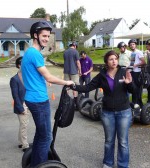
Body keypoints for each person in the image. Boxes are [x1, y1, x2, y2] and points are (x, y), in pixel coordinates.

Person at [21, 21, 74, 167]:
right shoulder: (35, 54)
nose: (46, 38)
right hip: (38, 100)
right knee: (46, 138)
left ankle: (35, 162)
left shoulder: (28, 53)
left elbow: (30, 75)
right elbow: (49, 77)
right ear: (35, 35)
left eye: (48, 36)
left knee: (41, 134)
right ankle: (39, 165)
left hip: (32, 98)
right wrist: (67, 82)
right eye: (44, 35)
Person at [70, 50, 134, 168]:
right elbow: (88, 87)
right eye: (111, 59)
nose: (114, 61)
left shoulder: (124, 72)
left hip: (124, 112)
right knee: (109, 141)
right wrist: (73, 86)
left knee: (123, 142)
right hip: (107, 113)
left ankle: (123, 165)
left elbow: (134, 90)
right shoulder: (102, 76)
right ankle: (108, 163)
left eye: (115, 58)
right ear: (106, 62)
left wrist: (129, 84)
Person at [10, 57, 29, 152]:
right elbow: (15, 96)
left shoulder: (28, 76)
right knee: (24, 125)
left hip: (29, 103)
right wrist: (20, 107)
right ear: (18, 66)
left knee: (23, 124)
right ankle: (25, 145)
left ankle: (20, 142)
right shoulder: (14, 79)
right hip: (21, 105)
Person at [129, 39, 146, 108]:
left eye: (133, 44)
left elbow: (144, 62)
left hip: (137, 72)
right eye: (131, 45)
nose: (132, 46)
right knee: (133, 88)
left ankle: (139, 104)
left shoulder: (139, 52)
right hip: (132, 72)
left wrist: (135, 65)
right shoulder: (131, 53)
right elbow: (131, 62)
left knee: (138, 88)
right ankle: (134, 103)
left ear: (135, 45)